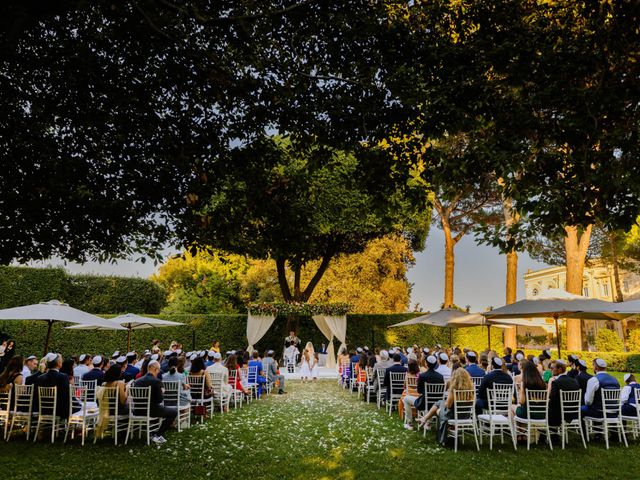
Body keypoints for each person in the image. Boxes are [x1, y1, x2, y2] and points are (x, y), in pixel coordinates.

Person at [420, 368, 474, 445]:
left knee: (438, 408)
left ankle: (428, 422)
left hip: (452, 416)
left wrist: (448, 395)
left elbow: (448, 406)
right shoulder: (471, 389)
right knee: (439, 404)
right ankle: (426, 420)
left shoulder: (454, 390)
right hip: (465, 416)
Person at [134, 360, 177, 444]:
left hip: (137, 410)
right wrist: (162, 392)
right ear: (156, 369)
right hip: (151, 410)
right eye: (158, 370)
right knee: (173, 412)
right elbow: (159, 400)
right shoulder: (156, 381)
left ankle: (153, 432)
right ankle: (158, 434)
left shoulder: (137, 381)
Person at [403, 355, 444, 429]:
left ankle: (409, 423)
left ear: (426, 363)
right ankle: (428, 424)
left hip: (424, 403)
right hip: (436, 403)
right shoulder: (440, 376)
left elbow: (419, 391)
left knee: (406, 398)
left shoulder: (422, 376)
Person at [37, 353, 70, 422]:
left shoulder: (40, 378)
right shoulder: (63, 377)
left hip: (43, 410)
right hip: (59, 411)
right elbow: (66, 396)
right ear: (58, 363)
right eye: (61, 360)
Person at [547, 359, 580, 428]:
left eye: (552, 368)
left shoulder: (556, 382)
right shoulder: (574, 381)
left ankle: (551, 433)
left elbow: (552, 400)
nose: (551, 370)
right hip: (574, 413)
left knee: (547, 409)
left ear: (559, 369)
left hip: (560, 414)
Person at [399, 359, 420, 425]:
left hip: (409, 395)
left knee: (403, 398)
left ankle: (408, 419)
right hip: (418, 395)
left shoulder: (407, 375)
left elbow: (404, 386)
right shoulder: (420, 375)